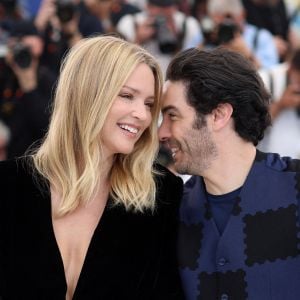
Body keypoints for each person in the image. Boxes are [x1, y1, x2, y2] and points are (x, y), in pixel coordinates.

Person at [0, 35, 184, 299]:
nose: (143, 116)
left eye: (149, 104)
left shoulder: (162, 194)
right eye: (127, 96)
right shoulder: (7, 186)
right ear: (87, 94)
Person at [159, 46, 300, 299]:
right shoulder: (172, 209)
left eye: (172, 116)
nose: (162, 133)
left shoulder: (296, 186)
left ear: (219, 114)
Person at [116, 0, 202, 74]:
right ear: (148, 6)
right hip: (139, 77)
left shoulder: (187, 24)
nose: (163, 14)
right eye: (159, 8)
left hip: (172, 78)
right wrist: (138, 39)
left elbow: (194, 61)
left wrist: (177, 39)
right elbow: (119, 61)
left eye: (167, 7)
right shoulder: (130, 22)